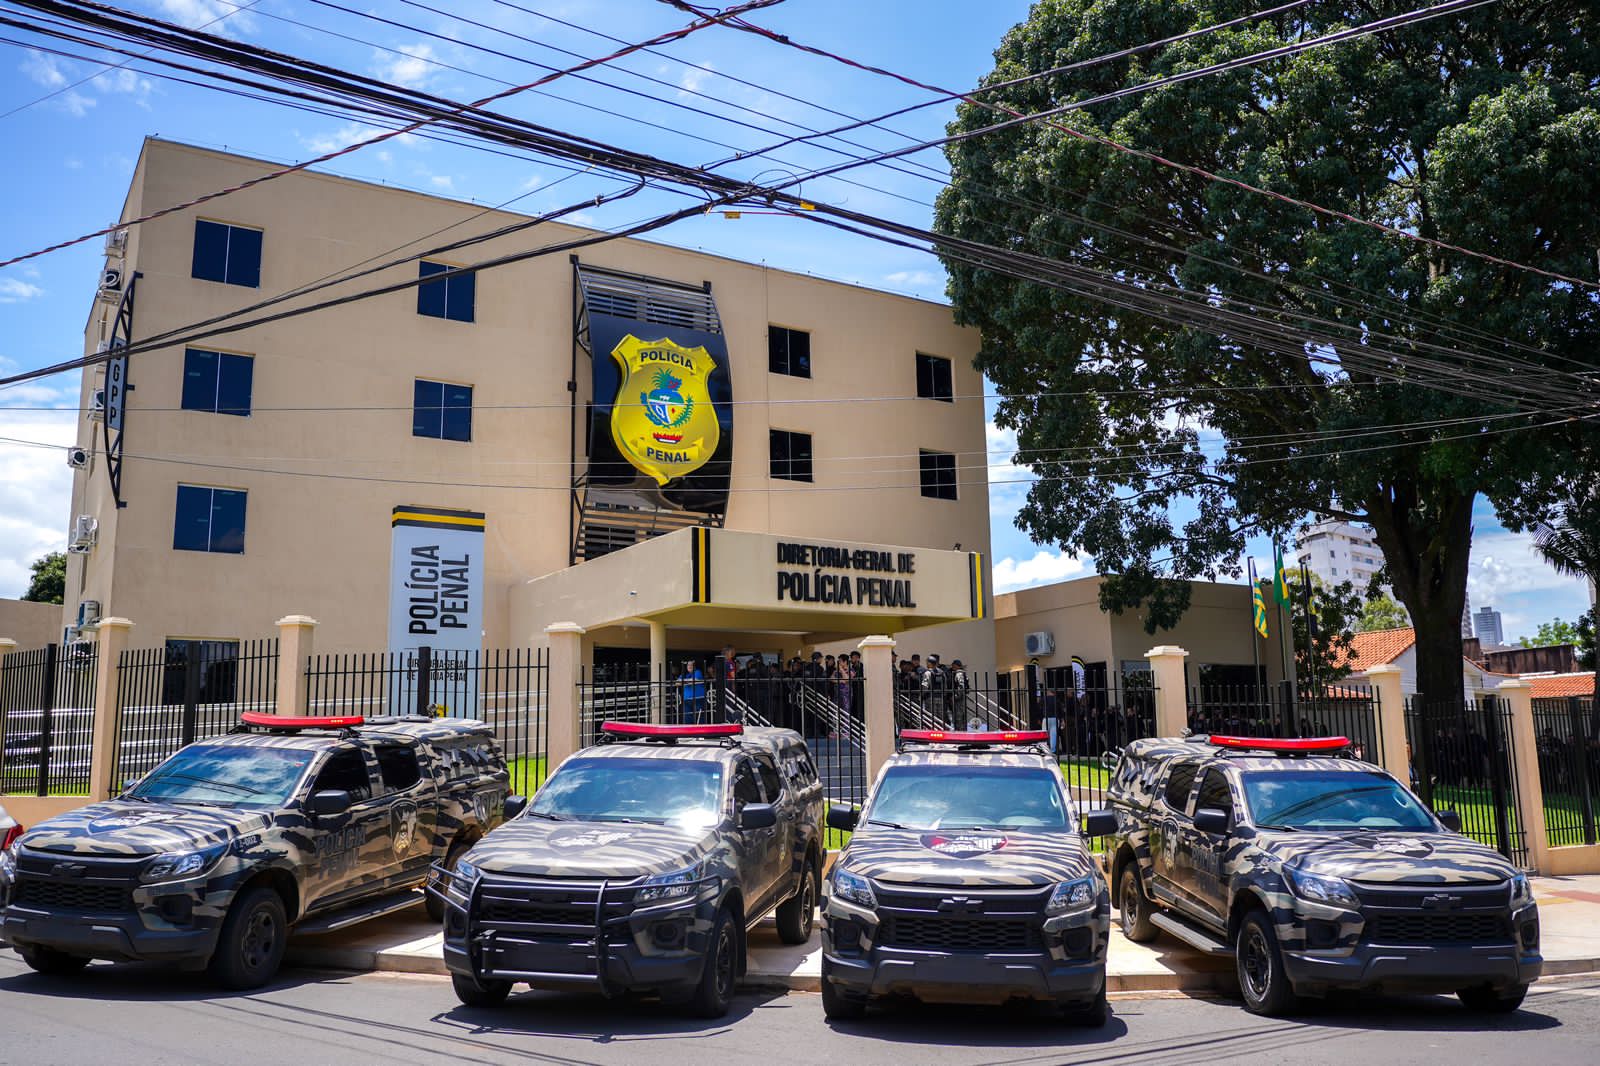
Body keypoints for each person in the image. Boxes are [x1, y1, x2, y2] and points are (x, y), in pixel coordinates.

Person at [679, 660, 706, 724]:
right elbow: (677, 683)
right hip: (687, 700)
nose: (689, 666)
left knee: (699, 718)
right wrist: (687, 680)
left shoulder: (697, 672)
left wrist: (683, 681)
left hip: (698, 699)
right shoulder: (685, 674)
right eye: (688, 665)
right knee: (687, 718)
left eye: (691, 665)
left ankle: (701, 731)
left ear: (694, 666)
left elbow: (694, 680)